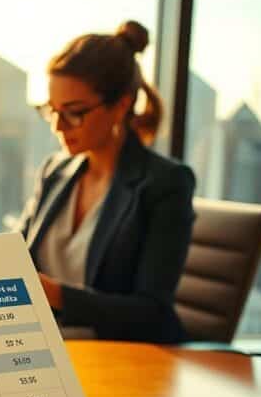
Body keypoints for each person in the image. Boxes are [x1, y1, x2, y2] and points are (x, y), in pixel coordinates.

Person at [15, 20, 196, 343]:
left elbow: (152, 313)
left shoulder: (166, 184)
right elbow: (17, 257)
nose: (58, 126)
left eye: (74, 112)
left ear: (121, 106)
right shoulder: (54, 171)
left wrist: (55, 294)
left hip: (121, 357)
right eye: (51, 110)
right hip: (49, 345)